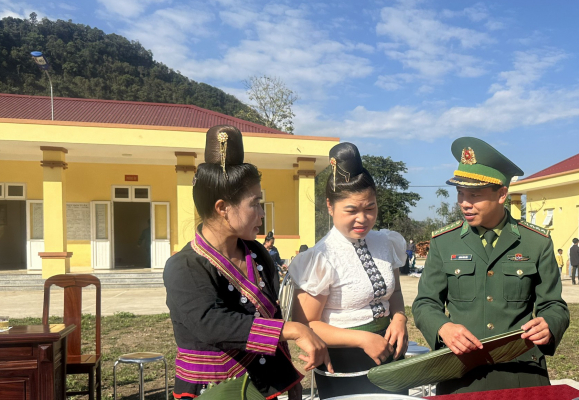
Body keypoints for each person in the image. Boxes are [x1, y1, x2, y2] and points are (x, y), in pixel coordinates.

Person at [163, 125, 332, 400]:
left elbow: (272, 312)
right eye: (255, 203)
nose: (262, 214)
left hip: (267, 387)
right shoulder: (184, 266)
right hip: (216, 392)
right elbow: (210, 323)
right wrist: (291, 329)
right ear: (222, 208)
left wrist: (287, 377)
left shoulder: (257, 253)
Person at [412, 137, 570, 394]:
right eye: (460, 194)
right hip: (460, 375)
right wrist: (443, 327)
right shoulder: (444, 242)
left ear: (502, 195)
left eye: (474, 195)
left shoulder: (535, 242)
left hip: (520, 373)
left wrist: (549, 324)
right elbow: (425, 303)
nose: (464, 202)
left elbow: (554, 304)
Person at [289, 142, 409, 399]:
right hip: (343, 361)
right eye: (351, 210)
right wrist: (362, 339)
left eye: (370, 208)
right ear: (330, 207)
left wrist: (399, 318)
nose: (363, 219)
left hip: (391, 351)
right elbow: (306, 324)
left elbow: (395, 291)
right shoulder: (321, 257)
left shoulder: (386, 242)